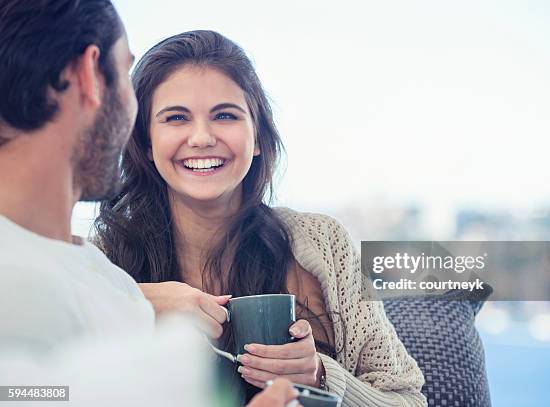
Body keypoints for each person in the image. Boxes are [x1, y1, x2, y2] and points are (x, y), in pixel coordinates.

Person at [94, 30, 426, 406]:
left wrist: (321, 376)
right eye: (176, 118)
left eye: (224, 115)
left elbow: (408, 400)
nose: (201, 137)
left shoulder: (323, 243)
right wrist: (129, 304)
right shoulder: (99, 261)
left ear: (258, 140)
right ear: (147, 144)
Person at [0, 1, 296, 406]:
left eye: (225, 115)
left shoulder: (101, 280)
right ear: (90, 76)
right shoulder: (31, 282)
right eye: (124, 73)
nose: (201, 137)